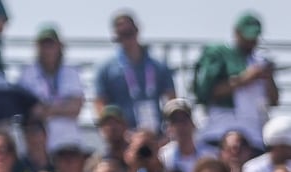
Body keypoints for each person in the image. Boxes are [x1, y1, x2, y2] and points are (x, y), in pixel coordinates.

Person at [197, 14, 278, 148]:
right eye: (247, 36)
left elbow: (274, 101)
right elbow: (208, 92)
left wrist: (269, 78)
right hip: (219, 131)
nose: (251, 41)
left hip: (253, 136)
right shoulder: (220, 54)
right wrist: (246, 78)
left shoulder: (261, 61)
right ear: (237, 33)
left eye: (255, 36)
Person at [97, 12, 180, 136]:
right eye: (121, 36)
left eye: (129, 33)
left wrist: (170, 131)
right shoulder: (106, 68)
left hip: (156, 134)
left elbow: (172, 100)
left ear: (137, 31)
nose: (126, 40)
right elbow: (100, 103)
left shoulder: (158, 66)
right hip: (123, 137)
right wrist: (110, 131)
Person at [20, 27, 88, 157]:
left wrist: (47, 110)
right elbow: (27, 110)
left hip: (68, 143)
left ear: (59, 46)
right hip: (37, 147)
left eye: (51, 45)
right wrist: (62, 107)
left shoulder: (71, 72)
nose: (47, 50)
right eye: (43, 45)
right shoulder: (27, 74)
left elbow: (76, 108)